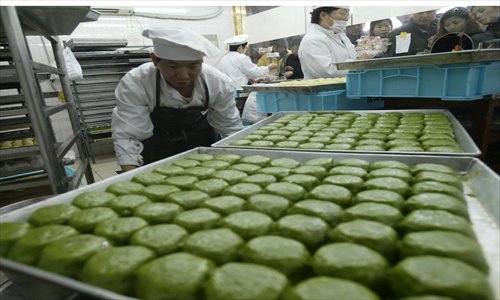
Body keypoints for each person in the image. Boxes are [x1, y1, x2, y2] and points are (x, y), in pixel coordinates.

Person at [111, 27, 244, 172]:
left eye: (193, 66)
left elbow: (230, 128)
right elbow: (127, 136)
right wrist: (131, 176)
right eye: (172, 66)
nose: (184, 76)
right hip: (157, 146)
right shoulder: (137, 82)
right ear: (155, 60)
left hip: (201, 140)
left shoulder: (217, 83)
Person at [298, 6, 357, 79]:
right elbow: (327, 72)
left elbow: (352, 56)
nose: (346, 18)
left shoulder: (340, 35)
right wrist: (358, 64)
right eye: (342, 13)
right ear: (323, 15)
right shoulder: (312, 40)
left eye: (348, 15)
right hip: (327, 89)